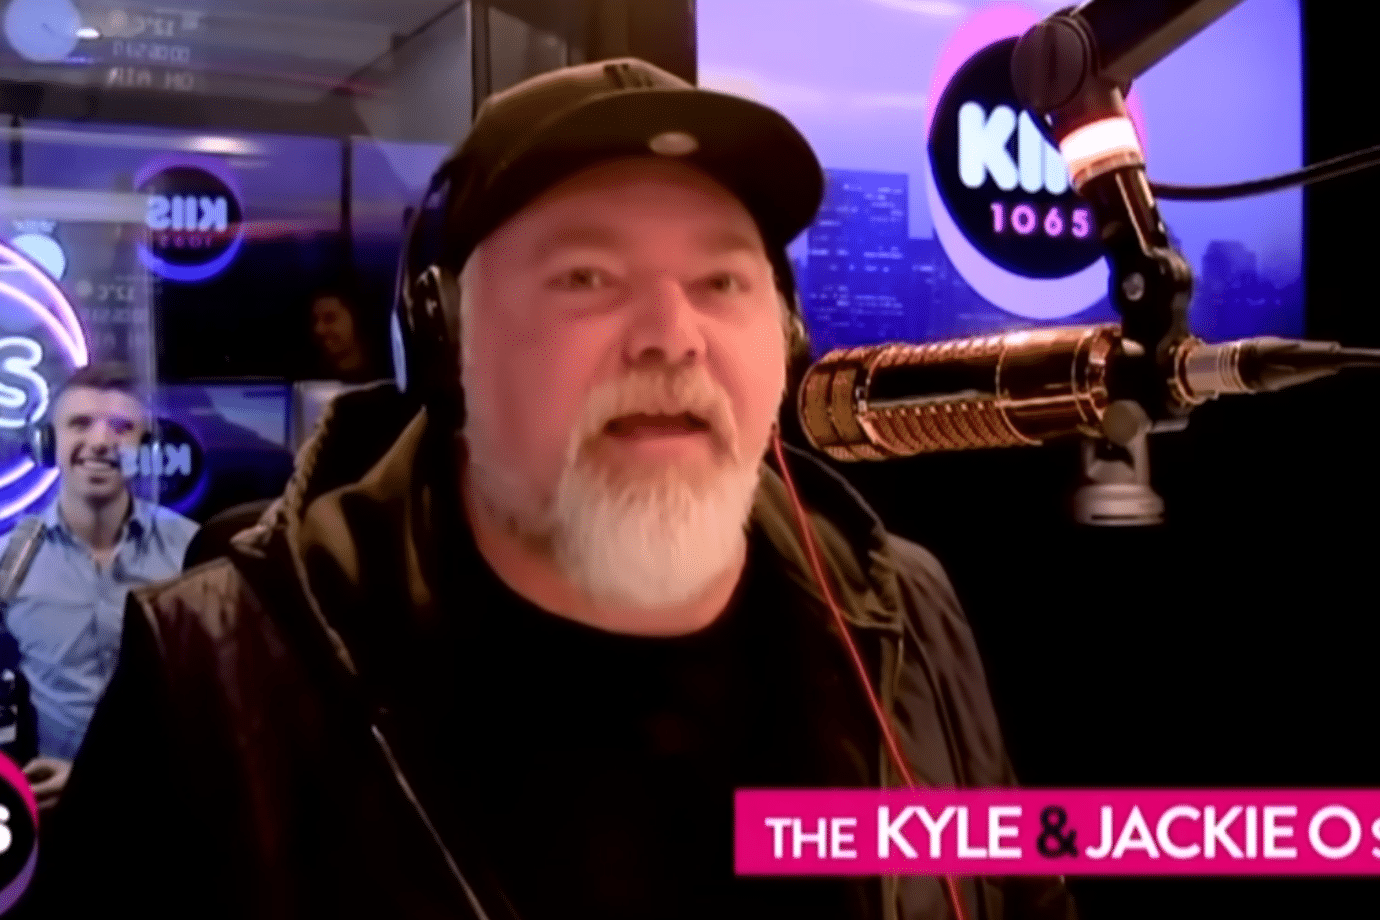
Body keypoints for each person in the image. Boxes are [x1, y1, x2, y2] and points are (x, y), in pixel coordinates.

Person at [36, 60, 1077, 919]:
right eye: (587, 277)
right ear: (446, 345)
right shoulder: (217, 679)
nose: (672, 335)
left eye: (722, 280)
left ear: (787, 338)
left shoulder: (906, 613)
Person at [0, 362, 198, 812]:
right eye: (80, 423)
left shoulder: (191, 551)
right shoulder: (9, 562)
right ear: (48, 442)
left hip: (163, 803)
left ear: (145, 448)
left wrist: (94, 779)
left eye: (122, 427)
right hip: (54, 813)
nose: (101, 441)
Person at [310, 287, 380, 383]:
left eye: (329, 318)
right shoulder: (307, 378)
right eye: (314, 321)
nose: (318, 330)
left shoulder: (386, 379)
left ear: (355, 318)